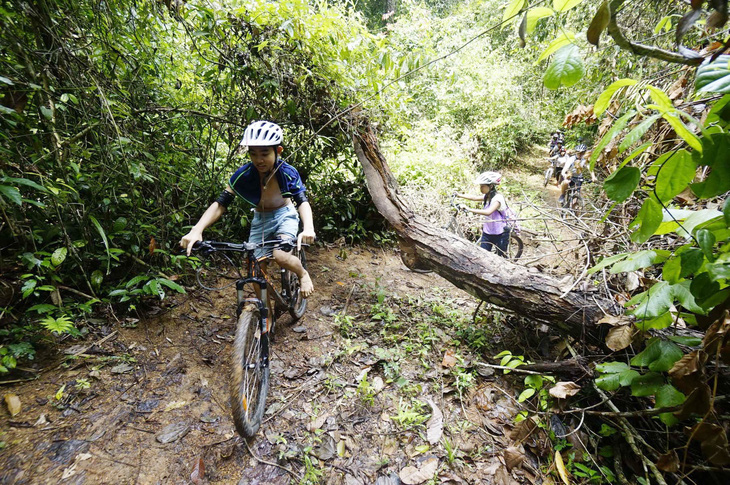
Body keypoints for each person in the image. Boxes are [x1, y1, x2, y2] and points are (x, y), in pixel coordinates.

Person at [179, 120, 316, 298]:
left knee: (280, 256)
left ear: (278, 151)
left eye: (265, 153)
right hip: (261, 219)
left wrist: (308, 228)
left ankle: (302, 273)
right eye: (253, 154)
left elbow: (302, 201)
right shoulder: (244, 175)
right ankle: (265, 317)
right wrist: (196, 230)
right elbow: (221, 203)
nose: (259, 160)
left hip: (285, 215)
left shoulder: (287, 172)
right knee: (254, 269)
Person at [454, 171, 512, 257]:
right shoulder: (487, 196)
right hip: (488, 231)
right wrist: (459, 195)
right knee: (482, 255)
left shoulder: (497, 199)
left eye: (483, 186)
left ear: (491, 186)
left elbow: (488, 212)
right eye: (480, 186)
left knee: (501, 256)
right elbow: (474, 198)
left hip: (500, 232)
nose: (481, 188)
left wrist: (469, 209)